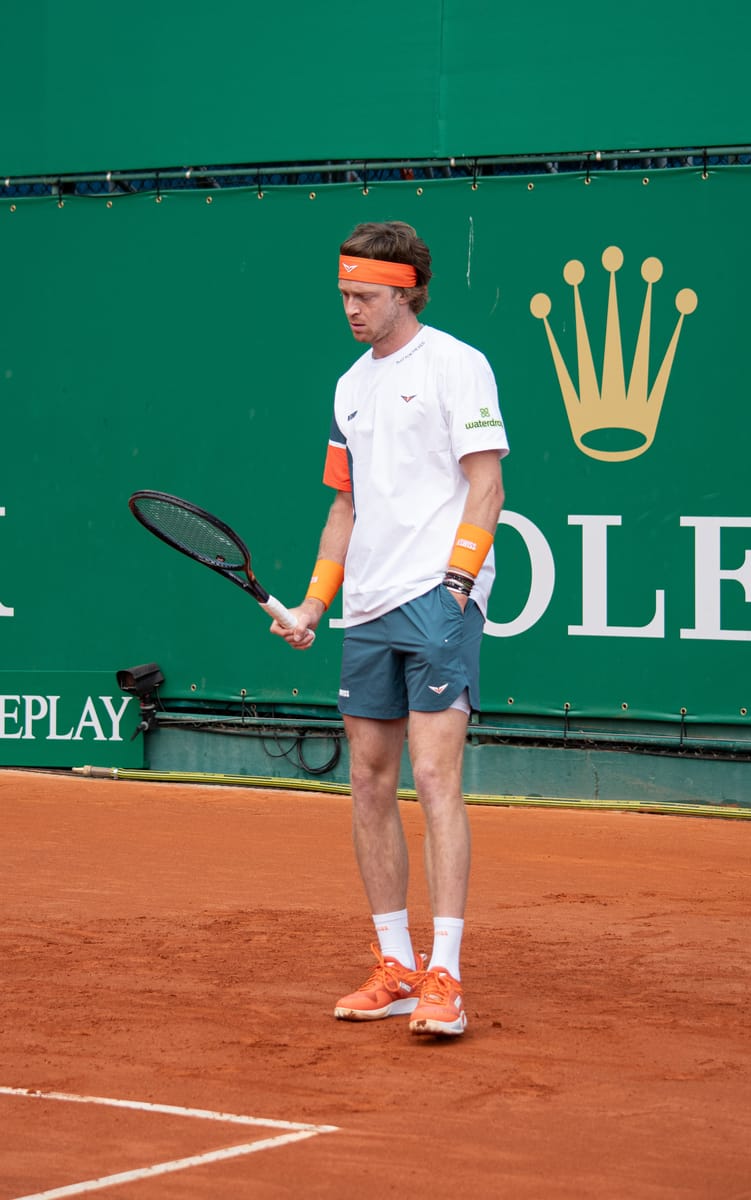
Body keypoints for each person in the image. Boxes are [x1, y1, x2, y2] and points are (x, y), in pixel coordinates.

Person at [271, 221, 508, 1036]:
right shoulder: (348, 386)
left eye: (365, 297)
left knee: (436, 778)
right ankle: (396, 965)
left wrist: (455, 587)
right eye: (344, 296)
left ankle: (446, 973)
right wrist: (313, 602)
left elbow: (487, 486)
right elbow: (346, 505)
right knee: (370, 781)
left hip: (439, 598)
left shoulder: (455, 364)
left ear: (406, 290)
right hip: (368, 606)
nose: (351, 310)